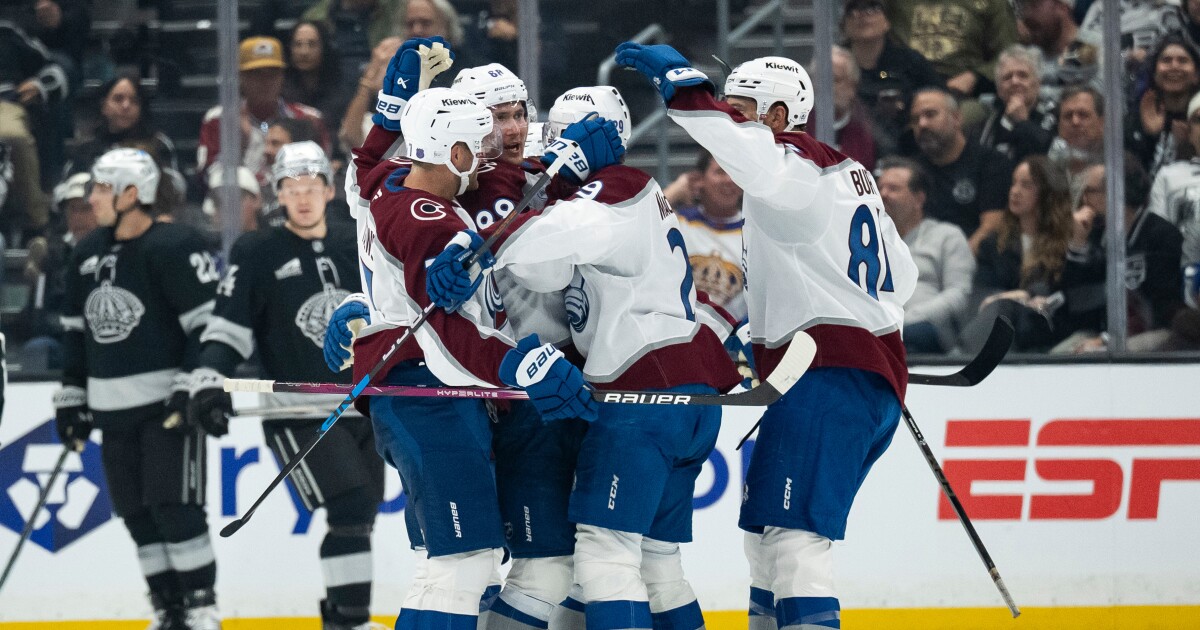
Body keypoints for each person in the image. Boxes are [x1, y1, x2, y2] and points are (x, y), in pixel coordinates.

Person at [616, 44, 917, 630]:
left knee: (796, 544)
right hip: (848, 376)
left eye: (741, 108)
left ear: (778, 117)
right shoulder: (850, 176)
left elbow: (744, 150)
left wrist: (686, 92)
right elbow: (899, 279)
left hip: (828, 378)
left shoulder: (793, 167)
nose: (729, 118)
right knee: (766, 541)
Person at [432, 83, 742, 630]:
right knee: (657, 563)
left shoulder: (610, 189)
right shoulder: (633, 188)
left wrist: (471, 247)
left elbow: (542, 257)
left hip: (640, 389)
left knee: (603, 557)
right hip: (681, 392)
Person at [338, 38, 604, 629]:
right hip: (430, 391)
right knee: (461, 565)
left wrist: (391, 104)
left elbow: (363, 176)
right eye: (481, 139)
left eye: (508, 121)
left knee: (469, 564)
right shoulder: (424, 211)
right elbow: (447, 334)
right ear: (450, 147)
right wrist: (519, 365)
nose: (495, 148)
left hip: (443, 394)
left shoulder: (403, 188)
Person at [190, 142, 384, 630]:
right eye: (291, 189)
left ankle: (341, 617)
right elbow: (228, 326)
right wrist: (210, 379)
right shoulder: (257, 251)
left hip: (367, 405)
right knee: (350, 502)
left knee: (359, 517)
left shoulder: (356, 239)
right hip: (297, 412)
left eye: (311, 187)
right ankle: (353, 618)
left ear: (327, 189)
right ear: (279, 194)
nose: (302, 198)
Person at [52, 148, 221, 629]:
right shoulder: (86, 253)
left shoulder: (174, 246)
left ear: (134, 192)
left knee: (177, 510)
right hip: (111, 411)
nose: (92, 198)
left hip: (167, 408)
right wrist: (72, 397)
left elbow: (205, 328)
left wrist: (194, 384)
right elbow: (75, 334)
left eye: (103, 188)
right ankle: (167, 610)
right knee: (137, 516)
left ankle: (202, 607)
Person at [1053, 160, 1184, 353]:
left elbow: (1161, 308)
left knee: (1089, 356)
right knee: (1058, 356)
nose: (1084, 199)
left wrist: (1107, 340)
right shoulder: (1097, 234)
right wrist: (1078, 245)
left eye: (1089, 191)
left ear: (1115, 191)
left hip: (1153, 333)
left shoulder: (1161, 235)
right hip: (1101, 332)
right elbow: (1078, 302)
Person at [961, 155, 1074, 352]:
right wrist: (1020, 296)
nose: (1015, 191)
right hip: (1003, 330)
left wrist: (1023, 295)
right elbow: (983, 294)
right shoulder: (994, 243)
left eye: (1026, 185)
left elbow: (1063, 294)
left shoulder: (1068, 242)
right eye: (1013, 183)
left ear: (1048, 193)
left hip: (1048, 333)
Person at [198, 36, 331, 192]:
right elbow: (205, 181)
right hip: (240, 208)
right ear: (241, 77)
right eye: (256, 74)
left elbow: (323, 176)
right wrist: (240, 147)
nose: (265, 81)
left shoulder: (308, 119)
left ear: (282, 76)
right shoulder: (219, 119)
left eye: (272, 73)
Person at [878, 157, 975, 354]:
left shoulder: (947, 236)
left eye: (893, 188)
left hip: (929, 331)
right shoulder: (867, 242)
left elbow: (959, 295)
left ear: (918, 199)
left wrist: (906, 320)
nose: (883, 194)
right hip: (877, 330)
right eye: (880, 188)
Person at [908, 87, 1014, 253]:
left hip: (972, 260)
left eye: (930, 114)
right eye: (915, 119)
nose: (922, 124)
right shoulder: (911, 170)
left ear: (956, 118)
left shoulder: (991, 163)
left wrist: (956, 262)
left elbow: (993, 226)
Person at [841, 0, 941, 153]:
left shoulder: (911, 62)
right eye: (853, 9)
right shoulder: (834, 64)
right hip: (848, 147)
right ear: (844, 25)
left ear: (887, 22)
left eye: (872, 7)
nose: (862, 15)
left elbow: (938, 98)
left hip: (908, 148)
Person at [667, 150, 747, 321]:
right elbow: (640, 227)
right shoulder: (681, 222)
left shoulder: (753, 234)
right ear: (699, 180)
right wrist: (677, 189)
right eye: (720, 172)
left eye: (734, 173)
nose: (728, 180)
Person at [886, 0, 1018, 98]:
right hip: (901, 83)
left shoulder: (993, 3)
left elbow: (1010, 56)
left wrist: (975, 77)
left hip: (960, 91)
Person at [64, 74, 178, 178]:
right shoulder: (86, 149)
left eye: (134, 100)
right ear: (104, 106)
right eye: (118, 99)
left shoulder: (158, 145)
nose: (126, 106)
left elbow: (172, 190)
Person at [1127, 34, 1200, 177]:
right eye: (1166, 60)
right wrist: (1149, 137)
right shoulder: (1135, 120)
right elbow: (1132, 180)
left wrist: (1188, 145)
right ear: (1154, 74)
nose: (1174, 66)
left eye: (1183, 61)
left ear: (1196, 75)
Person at [975, 46, 1058, 164]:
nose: (1015, 82)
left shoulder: (1058, 114)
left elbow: (1052, 157)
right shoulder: (988, 125)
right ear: (999, 90)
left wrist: (1023, 123)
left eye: (1023, 75)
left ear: (1038, 83)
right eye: (1007, 77)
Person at [1148, 91, 1200, 268]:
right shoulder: (1168, 176)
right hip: (1180, 276)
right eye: (1197, 120)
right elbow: (1157, 239)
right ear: (1189, 131)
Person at [807, 45, 877, 169]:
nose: (826, 87)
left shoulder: (871, 128)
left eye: (835, 80)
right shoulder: (794, 125)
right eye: (821, 79)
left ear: (852, 86)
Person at [283, 20, 353, 132]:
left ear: (324, 48)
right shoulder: (281, 91)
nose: (304, 52)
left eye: (312, 44)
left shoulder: (341, 90)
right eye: (298, 44)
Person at [1047, 85, 1106, 178]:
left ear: (1101, 123)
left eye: (1083, 115)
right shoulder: (1046, 170)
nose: (1075, 122)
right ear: (1059, 126)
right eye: (1068, 116)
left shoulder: (1120, 166)